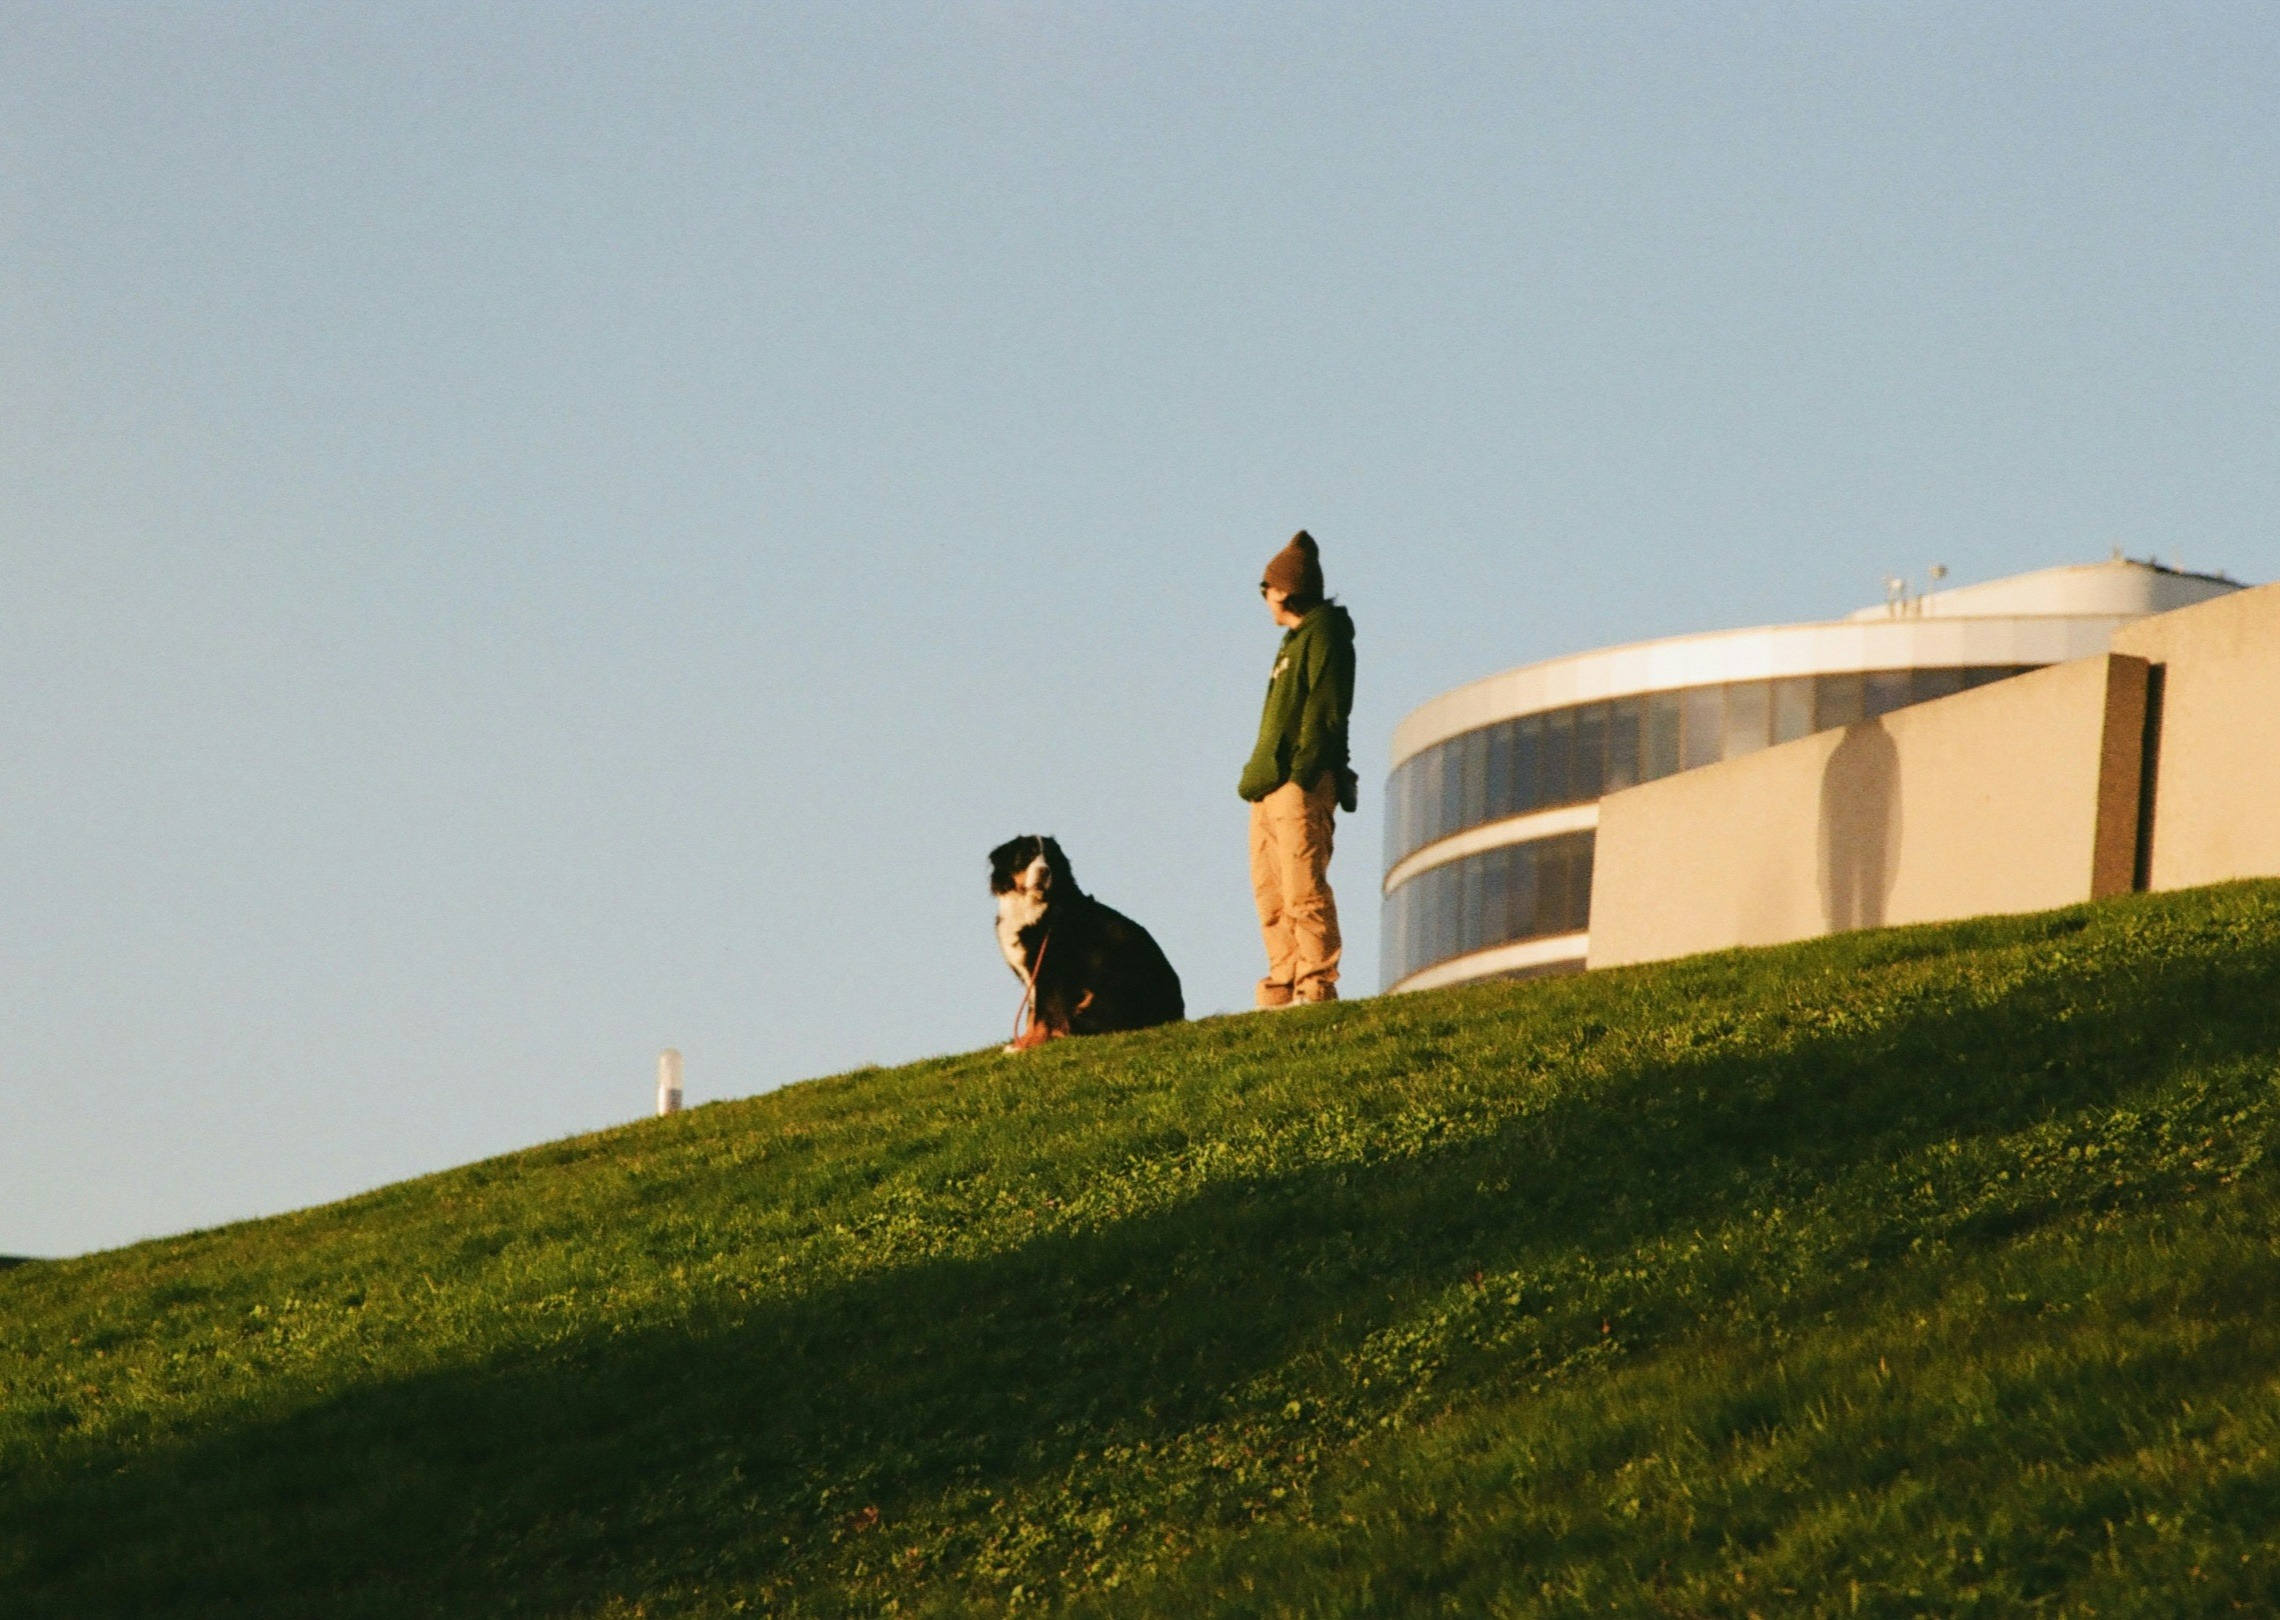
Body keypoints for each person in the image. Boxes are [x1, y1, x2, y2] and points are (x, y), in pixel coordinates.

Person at [1238, 530, 1357, 1007]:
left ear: (1283, 589)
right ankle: (1281, 984)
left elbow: (1327, 711)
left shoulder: (1325, 633)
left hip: (1295, 783)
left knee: (1302, 888)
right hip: (1266, 785)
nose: (1264, 598)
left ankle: (1315, 984)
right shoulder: (1291, 643)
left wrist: (1303, 774)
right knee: (1270, 894)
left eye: (1265, 588)